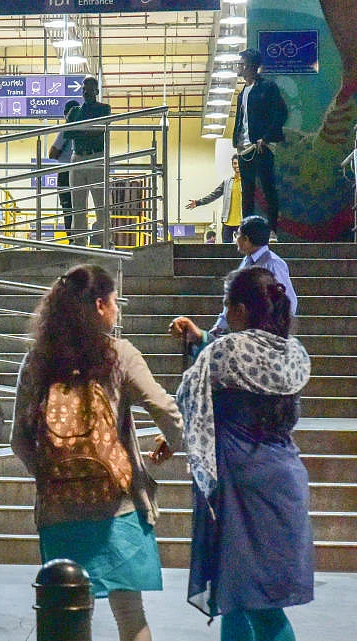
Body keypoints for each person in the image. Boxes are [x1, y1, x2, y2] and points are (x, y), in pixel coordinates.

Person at [11, 264, 182, 641]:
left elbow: (19, 441)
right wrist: (174, 441)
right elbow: (165, 409)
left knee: (68, 616)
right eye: (115, 302)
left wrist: (52, 474)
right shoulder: (119, 354)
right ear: (102, 305)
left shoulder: (39, 360)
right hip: (117, 506)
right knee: (130, 614)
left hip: (59, 510)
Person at [175, 267, 313, 639]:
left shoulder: (225, 351)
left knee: (251, 602)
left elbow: (189, 395)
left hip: (240, 484)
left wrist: (196, 343)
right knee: (247, 597)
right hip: (284, 477)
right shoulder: (294, 354)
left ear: (239, 310)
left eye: (226, 306)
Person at [169, 215, 297, 347]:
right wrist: (219, 327)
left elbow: (289, 302)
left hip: (266, 338)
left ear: (246, 239)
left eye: (238, 235)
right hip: (248, 334)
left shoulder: (273, 264)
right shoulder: (247, 261)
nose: (236, 239)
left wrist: (275, 333)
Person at [234, 49, 288, 240]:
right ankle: (246, 232)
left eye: (240, 63)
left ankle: (271, 229)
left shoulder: (267, 87)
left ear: (249, 66)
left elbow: (280, 113)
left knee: (267, 188)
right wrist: (237, 141)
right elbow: (242, 119)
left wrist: (265, 138)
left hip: (261, 146)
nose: (238, 66)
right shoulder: (242, 92)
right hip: (244, 147)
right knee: (247, 191)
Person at [66, 77, 112, 246]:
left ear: (96, 91)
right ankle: (79, 241)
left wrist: (80, 130)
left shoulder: (103, 108)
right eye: (84, 89)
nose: (86, 92)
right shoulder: (75, 111)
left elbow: (100, 130)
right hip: (77, 157)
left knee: (101, 202)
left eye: (90, 89)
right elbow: (68, 134)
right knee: (77, 204)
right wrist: (88, 130)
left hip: (96, 157)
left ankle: (105, 239)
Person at [188, 156, 243, 244]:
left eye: (239, 163)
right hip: (227, 222)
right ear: (232, 165)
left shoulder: (247, 181)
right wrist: (198, 202)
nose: (237, 166)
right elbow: (214, 195)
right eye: (235, 163)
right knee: (226, 249)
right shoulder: (227, 182)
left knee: (245, 248)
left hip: (242, 221)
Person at [48, 101, 79, 235]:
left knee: (67, 208)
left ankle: (72, 238)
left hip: (65, 172)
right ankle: (79, 238)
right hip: (79, 171)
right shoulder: (85, 128)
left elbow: (52, 153)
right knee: (79, 206)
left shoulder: (67, 128)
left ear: (66, 114)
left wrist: (61, 154)